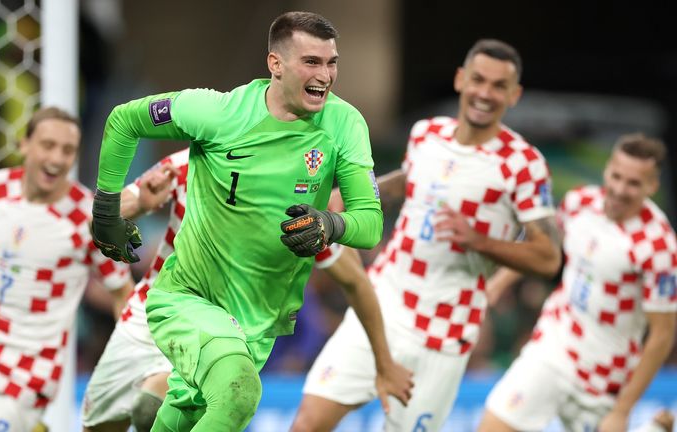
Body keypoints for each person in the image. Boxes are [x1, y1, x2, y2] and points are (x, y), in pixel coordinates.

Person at [88, 11, 412, 432]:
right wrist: (106, 209)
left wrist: (330, 225)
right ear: (276, 65)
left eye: (332, 62)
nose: (326, 75)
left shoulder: (345, 124)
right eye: (311, 62)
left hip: (257, 321)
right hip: (186, 298)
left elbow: (368, 225)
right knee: (238, 394)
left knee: (179, 415)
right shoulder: (219, 113)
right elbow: (124, 120)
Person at [291, 38, 563, 432]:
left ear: (514, 94)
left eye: (498, 86)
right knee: (308, 423)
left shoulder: (524, 165)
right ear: (460, 80)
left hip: (444, 331)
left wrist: (479, 240)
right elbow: (410, 179)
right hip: (383, 303)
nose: (485, 93)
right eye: (478, 80)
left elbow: (548, 257)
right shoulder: (426, 133)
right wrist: (351, 194)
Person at [82, 149, 413, 432]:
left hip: (220, 331)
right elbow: (97, 221)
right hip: (150, 311)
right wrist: (140, 203)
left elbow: (356, 283)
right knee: (99, 425)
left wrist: (384, 365)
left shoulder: (293, 210)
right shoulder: (190, 164)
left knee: (152, 404)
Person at [0, 107, 142, 432]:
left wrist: (134, 355)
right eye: (48, 145)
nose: (57, 158)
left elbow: (122, 292)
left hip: (30, 371)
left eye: (67, 150)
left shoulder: (87, 220)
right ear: (24, 145)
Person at [479, 134, 677, 432]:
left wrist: (623, 410)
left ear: (652, 186)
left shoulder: (658, 245)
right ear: (607, 169)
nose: (621, 189)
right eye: (617, 176)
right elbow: (545, 244)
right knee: (493, 426)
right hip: (553, 346)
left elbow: (662, 335)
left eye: (634, 183)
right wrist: (499, 282)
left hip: (604, 376)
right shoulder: (579, 201)